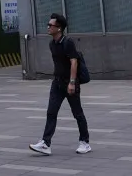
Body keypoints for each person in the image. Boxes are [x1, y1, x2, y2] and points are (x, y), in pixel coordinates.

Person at [29, 13, 91, 156]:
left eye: (51, 25)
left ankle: (85, 142)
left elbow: (74, 62)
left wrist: (72, 83)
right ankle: (45, 143)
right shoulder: (52, 44)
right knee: (51, 112)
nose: (48, 27)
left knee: (77, 113)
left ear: (59, 28)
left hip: (70, 84)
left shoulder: (68, 43)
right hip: (57, 83)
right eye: (48, 24)